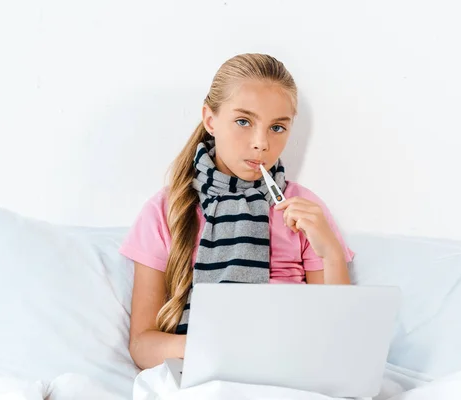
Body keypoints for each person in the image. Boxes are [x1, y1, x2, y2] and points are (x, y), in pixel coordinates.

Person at [119, 53, 354, 370]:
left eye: (277, 128)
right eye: (243, 121)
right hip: (208, 370)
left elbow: (341, 339)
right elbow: (142, 345)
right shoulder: (166, 210)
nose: (261, 143)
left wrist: (332, 254)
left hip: (292, 368)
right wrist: (219, 347)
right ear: (210, 119)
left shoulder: (305, 210)